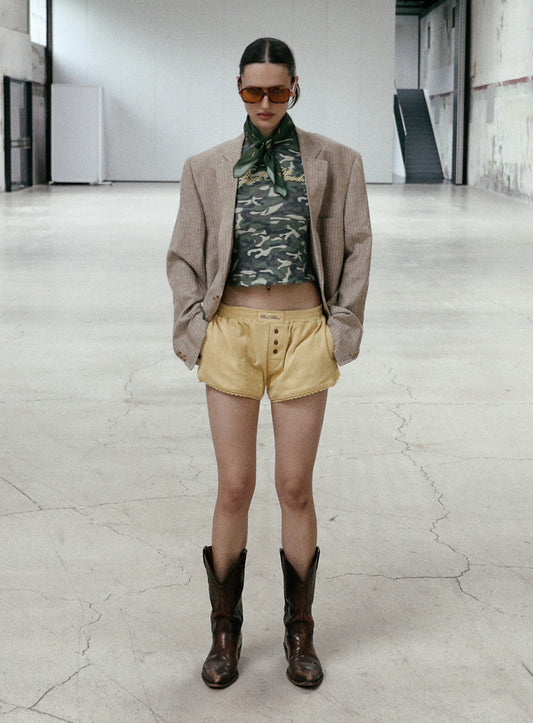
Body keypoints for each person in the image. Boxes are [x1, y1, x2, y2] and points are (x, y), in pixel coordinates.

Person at [167, 37, 372, 689]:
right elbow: (183, 255)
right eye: (252, 90)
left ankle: (298, 632)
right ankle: (224, 633)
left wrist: (339, 329)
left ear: (294, 89)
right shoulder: (206, 167)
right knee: (234, 486)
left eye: (276, 91)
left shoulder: (336, 161)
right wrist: (196, 329)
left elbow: (358, 246)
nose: (264, 103)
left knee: (294, 487)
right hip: (230, 333)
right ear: (238, 89)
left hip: (304, 333)